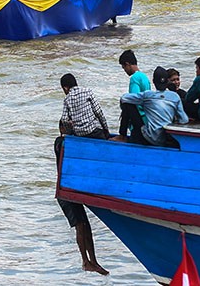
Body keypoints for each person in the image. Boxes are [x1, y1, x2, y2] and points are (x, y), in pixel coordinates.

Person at [54, 73, 110, 275]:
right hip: (65, 193)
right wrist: (105, 131)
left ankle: (92, 261)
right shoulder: (61, 143)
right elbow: (98, 112)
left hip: (68, 188)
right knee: (81, 225)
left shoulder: (67, 140)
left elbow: (66, 119)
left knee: (84, 225)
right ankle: (86, 261)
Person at [119, 67, 189, 146]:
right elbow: (184, 120)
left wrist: (142, 104)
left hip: (149, 138)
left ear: (153, 81)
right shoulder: (175, 96)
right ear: (167, 82)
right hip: (165, 138)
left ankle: (122, 136)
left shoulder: (148, 95)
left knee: (127, 104)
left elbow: (124, 98)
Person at [118, 50, 151, 139]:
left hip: (139, 120)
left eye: (124, 67)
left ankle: (122, 135)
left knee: (126, 102)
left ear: (127, 64)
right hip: (147, 117)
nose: (125, 71)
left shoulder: (134, 78)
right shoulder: (144, 77)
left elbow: (133, 99)